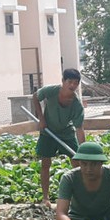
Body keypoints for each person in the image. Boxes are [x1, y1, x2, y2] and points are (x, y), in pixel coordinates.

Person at [33, 68, 85, 207]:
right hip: (47, 132)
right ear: (63, 81)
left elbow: (79, 129)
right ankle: (46, 198)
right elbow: (36, 97)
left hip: (66, 134)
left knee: (77, 163)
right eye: (70, 82)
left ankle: (78, 196)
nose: (72, 85)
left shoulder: (76, 104)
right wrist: (41, 119)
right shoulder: (51, 91)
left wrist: (83, 151)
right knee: (45, 164)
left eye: (76, 83)